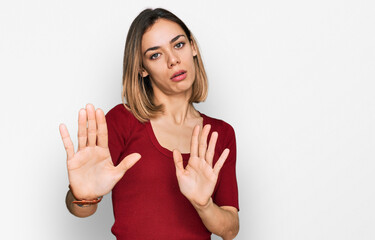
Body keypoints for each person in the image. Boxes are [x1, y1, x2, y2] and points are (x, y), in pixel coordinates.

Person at [59, 8, 239, 240]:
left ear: (193, 46)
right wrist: (82, 195)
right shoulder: (121, 121)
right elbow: (79, 209)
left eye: (179, 45)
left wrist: (204, 205)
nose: (173, 60)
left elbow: (230, 229)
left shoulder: (220, 133)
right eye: (155, 55)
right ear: (142, 68)